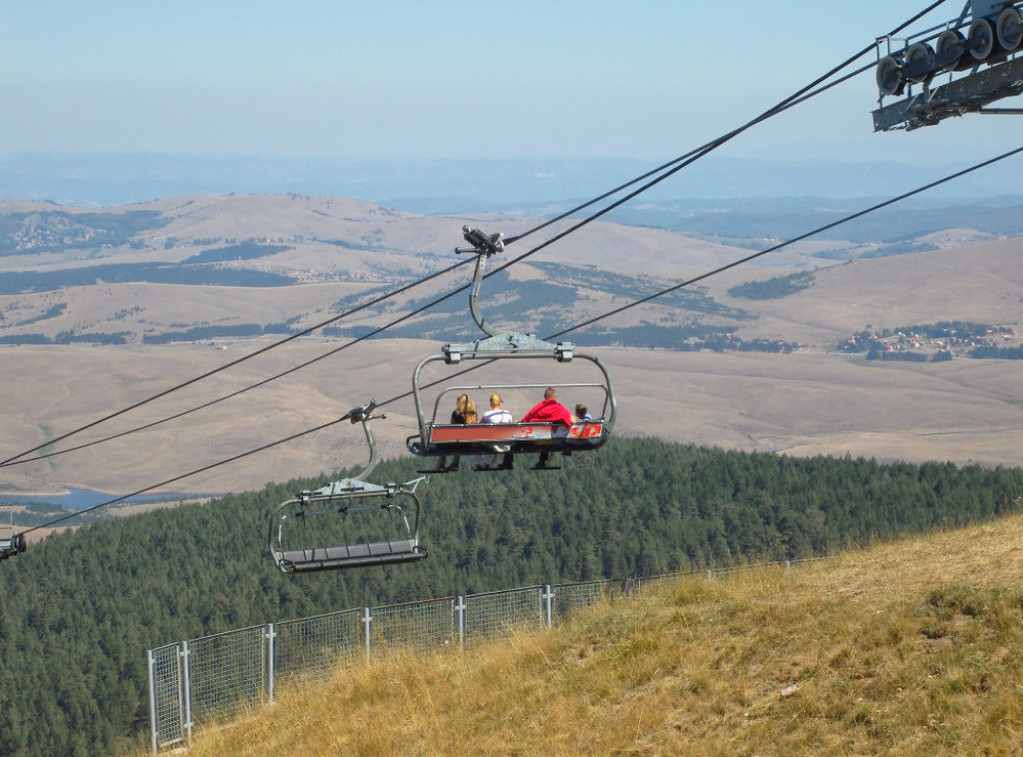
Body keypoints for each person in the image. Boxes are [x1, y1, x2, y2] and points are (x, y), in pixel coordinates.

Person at [521, 387, 575, 468]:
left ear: (544, 397)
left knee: (541, 435)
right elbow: (573, 421)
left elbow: (524, 421)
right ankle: (543, 461)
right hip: (552, 441)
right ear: (555, 397)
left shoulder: (537, 409)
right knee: (550, 436)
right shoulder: (559, 409)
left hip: (536, 441)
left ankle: (508, 461)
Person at [436, 393, 476, 472]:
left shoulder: (456, 414)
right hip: (469, 444)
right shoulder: (473, 414)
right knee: (459, 441)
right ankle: (455, 464)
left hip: (457, 443)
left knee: (442, 443)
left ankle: (441, 464)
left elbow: (451, 426)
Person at [475, 393, 514, 470]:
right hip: (506, 441)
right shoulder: (507, 413)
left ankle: (480, 463)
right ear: (500, 402)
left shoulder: (487, 415)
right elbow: (511, 426)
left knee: (481, 443)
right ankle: (508, 462)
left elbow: (478, 427)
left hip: (493, 441)